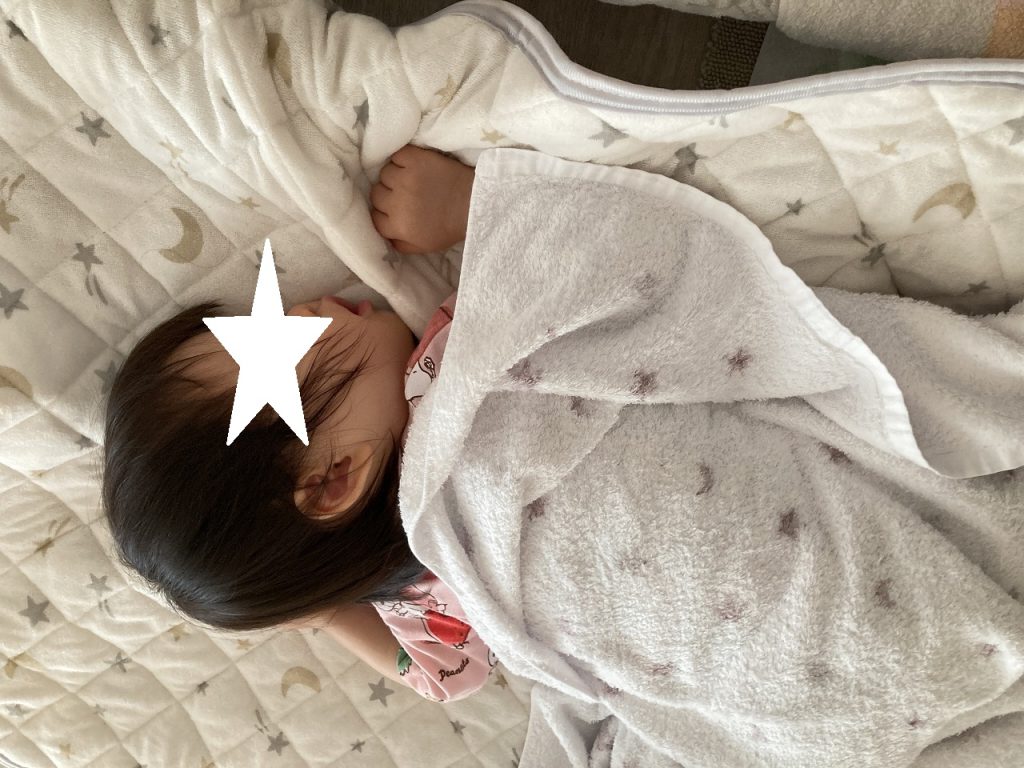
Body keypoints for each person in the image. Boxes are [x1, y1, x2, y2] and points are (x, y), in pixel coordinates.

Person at [102, 145, 489, 703]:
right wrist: (467, 204)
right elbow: (575, 257)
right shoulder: (451, 385)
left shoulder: (419, 591)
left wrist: (330, 612)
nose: (301, 308)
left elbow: (443, 674)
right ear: (334, 478)